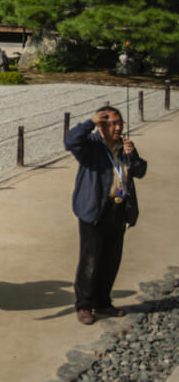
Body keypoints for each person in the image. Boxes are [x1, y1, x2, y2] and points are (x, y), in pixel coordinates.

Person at [64, 107, 147, 325]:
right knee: (90, 260)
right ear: (102, 125)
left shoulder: (124, 146)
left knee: (111, 260)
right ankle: (84, 305)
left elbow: (140, 170)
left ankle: (103, 302)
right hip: (93, 210)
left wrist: (132, 155)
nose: (118, 127)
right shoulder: (91, 146)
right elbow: (70, 142)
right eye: (113, 123)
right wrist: (88, 122)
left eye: (120, 123)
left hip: (118, 209)